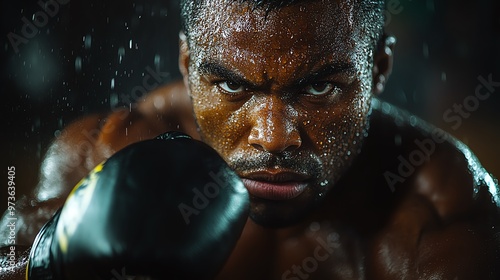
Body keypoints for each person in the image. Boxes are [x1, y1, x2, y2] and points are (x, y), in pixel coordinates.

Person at [2, 0, 500, 279]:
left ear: (379, 69)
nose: (273, 138)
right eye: (233, 86)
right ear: (186, 65)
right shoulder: (109, 151)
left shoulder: (443, 217)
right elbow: (9, 251)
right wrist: (50, 266)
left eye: (320, 87)